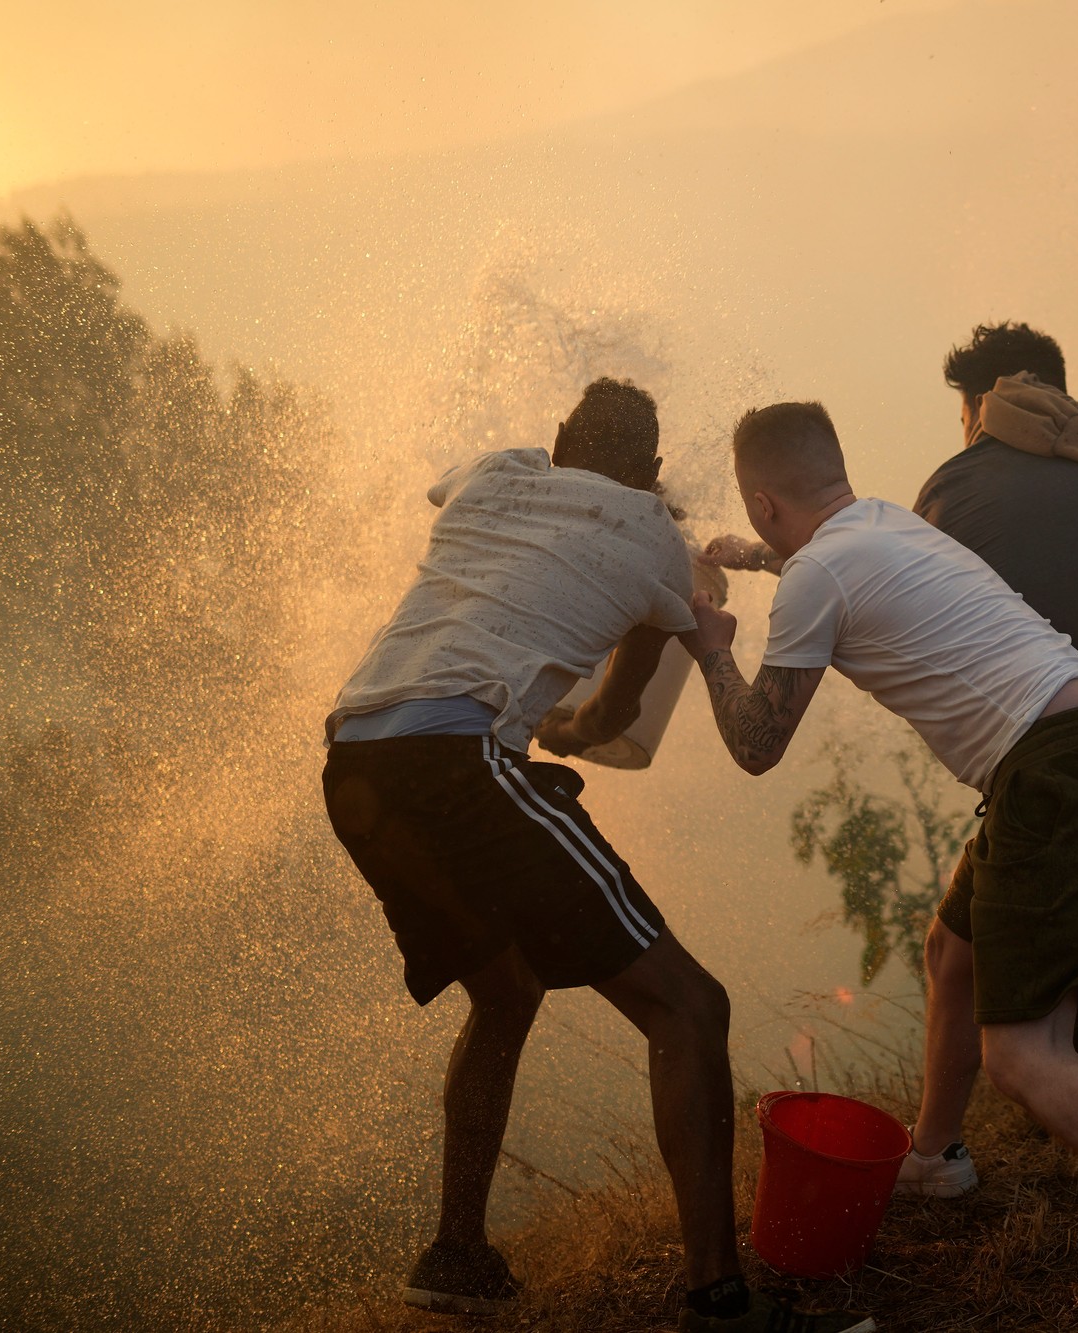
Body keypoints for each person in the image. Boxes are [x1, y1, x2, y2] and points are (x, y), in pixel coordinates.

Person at [686, 400, 1078, 1333]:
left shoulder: (818, 574)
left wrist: (710, 652)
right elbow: (829, 570)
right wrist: (760, 559)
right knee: (953, 949)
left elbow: (757, 742)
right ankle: (934, 1156)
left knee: (1024, 1054)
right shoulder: (881, 522)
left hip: (1056, 768)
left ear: (765, 500)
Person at [320, 379, 871, 1333]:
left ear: (556, 440)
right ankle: (718, 1299)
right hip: (458, 760)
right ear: (654, 475)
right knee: (692, 1006)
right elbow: (617, 712)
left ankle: (457, 1254)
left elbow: (469, 502)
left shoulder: (495, 473)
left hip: (358, 755)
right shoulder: (655, 538)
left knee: (505, 990)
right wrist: (569, 729)